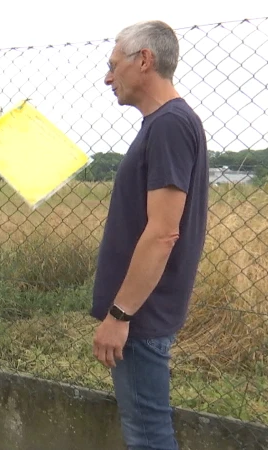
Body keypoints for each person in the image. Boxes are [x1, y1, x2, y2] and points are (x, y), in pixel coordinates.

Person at [91, 20, 209, 450]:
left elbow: (162, 233)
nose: (107, 77)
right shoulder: (166, 124)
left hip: (140, 316)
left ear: (144, 60)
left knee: (148, 435)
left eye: (113, 64)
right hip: (144, 312)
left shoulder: (169, 125)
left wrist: (120, 316)